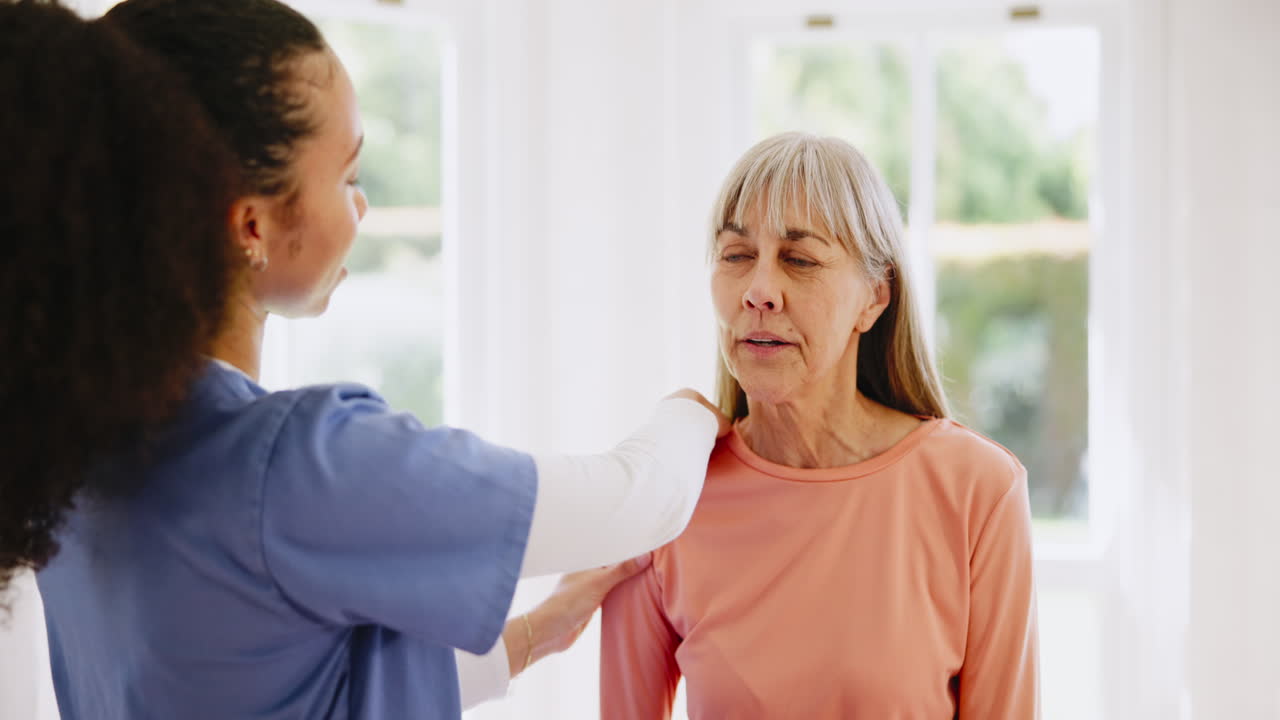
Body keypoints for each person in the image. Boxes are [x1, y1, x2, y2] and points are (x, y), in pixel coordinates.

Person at [17, 1, 729, 718]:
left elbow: (279, 686)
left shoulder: (79, 450)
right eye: (346, 175)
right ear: (252, 223)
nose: (361, 209)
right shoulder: (296, 467)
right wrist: (695, 412)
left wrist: (533, 634)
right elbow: (634, 500)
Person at [600, 133, 1040, 718]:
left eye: (799, 260)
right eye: (736, 255)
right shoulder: (667, 495)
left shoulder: (978, 490)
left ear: (874, 299)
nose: (758, 291)